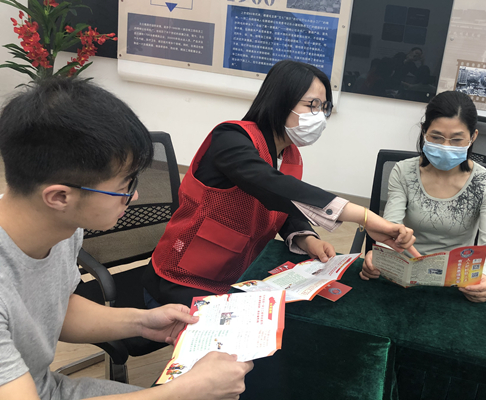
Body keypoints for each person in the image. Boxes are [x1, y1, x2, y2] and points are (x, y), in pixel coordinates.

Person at [0, 77, 253, 400]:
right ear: (60, 196)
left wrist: (142, 322)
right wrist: (184, 392)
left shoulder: (61, 226)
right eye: (124, 186)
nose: (134, 197)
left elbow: (56, 309)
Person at [144, 60, 417, 307]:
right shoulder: (230, 138)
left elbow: (281, 206)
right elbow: (270, 186)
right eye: (312, 105)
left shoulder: (290, 154)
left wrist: (306, 238)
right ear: (280, 100)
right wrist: (365, 217)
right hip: (183, 277)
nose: (319, 116)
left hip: (239, 272)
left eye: (324, 108)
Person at [360, 91, 486, 303]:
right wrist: (380, 257)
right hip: (404, 274)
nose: (446, 146)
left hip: (455, 281)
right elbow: (391, 228)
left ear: (473, 137)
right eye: (436, 137)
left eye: (457, 139)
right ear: (424, 131)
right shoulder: (403, 172)